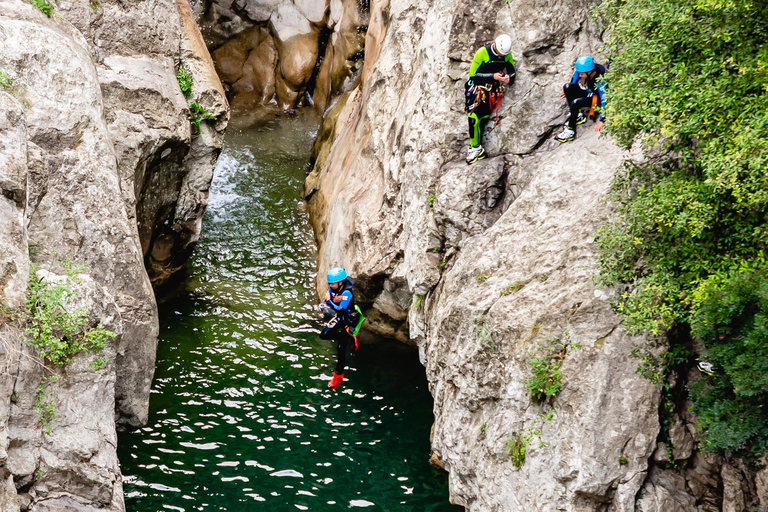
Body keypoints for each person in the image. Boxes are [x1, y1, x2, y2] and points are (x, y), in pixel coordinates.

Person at [465, 34, 516, 164]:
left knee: (482, 119)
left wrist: (509, 77)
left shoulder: (506, 54)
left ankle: (477, 148)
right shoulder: (482, 53)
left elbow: (512, 70)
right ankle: (474, 147)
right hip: (478, 90)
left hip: (491, 92)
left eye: (504, 54)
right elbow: (473, 75)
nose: (502, 56)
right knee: (473, 118)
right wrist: (493, 76)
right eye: (500, 53)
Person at [319, 267, 364, 390]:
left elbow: (340, 309)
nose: (330, 285)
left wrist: (330, 302)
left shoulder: (347, 293)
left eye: (333, 283)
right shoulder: (333, 287)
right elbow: (329, 298)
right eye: (330, 283)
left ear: (341, 283)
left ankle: (338, 377)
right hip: (340, 318)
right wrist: (325, 302)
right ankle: (349, 336)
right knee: (324, 334)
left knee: (340, 347)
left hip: (348, 319)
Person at [555, 55, 607, 143]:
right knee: (567, 87)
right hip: (589, 92)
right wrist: (569, 89)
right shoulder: (586, 70)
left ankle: (570, 130)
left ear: (589, 72)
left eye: (581, 74)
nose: (579, 75)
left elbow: (604, 99)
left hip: (595, 100)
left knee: (576, 103)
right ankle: (578, 115)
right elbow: (575, 76)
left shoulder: (599, 80)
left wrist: (602, 120)